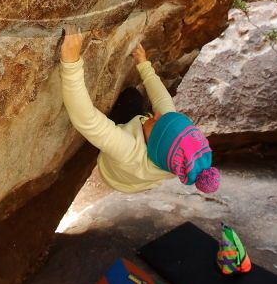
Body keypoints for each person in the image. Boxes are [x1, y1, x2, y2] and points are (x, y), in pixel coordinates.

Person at [59, 25, 220, 194]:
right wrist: (144, 64)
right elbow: (162, 100)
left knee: (130, 100)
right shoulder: (178, 160)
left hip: (113, 173)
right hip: (139, 179)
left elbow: (86, 120)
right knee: (137, 100)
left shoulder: (130, 151)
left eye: (158, 123)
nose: (157, 115)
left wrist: (71, 63)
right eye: (166, 118)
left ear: (153, 144)